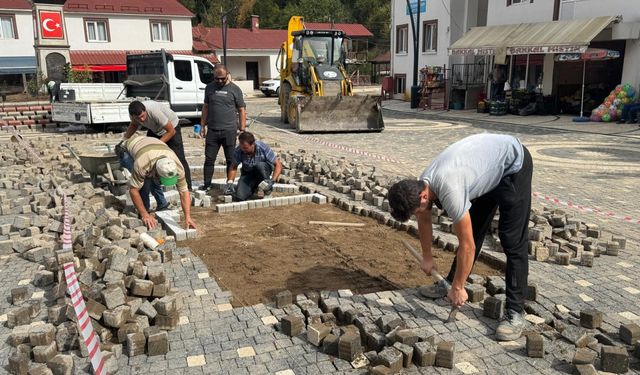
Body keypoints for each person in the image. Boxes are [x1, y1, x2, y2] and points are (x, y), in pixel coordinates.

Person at [388, 133, 533, 342]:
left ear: (423, 196)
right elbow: (425, 219)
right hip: (485, 170)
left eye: (415, 211)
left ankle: (515, 312)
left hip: (512, 167)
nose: (417, 215)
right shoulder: (422, 184)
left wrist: (459, 288)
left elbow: (468, 246)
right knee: (472, 229)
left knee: (512, 239)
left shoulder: (450, 190)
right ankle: (449, 283)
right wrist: (427, 256)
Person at [124, 135, 196, 230]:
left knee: (153, 180)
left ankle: (162, 205)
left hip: (152, 146)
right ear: (156, 171)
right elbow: (133, 190)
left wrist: (188, 216)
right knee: (145, 184)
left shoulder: (178, 167)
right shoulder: (142, 164)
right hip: (128, 150)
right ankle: (143, 212)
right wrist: (145, 214)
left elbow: (184, 192)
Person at [124, 100, 192, 190]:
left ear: (145, 111)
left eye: (143, 116)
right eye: (138, 118)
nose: (142, 120)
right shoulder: (133, 115)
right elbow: (133, 126)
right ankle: (157, 185)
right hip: (155, 129)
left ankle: (187, 187)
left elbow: (171, 131)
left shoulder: (153, 111)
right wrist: (124, 140)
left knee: (179, 158)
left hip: (172, 126)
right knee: (151, 157)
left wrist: (157, 145)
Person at [200, 65, 246, 191]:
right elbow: (205, 107)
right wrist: (202, 126)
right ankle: (207, 184)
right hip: (213, 131)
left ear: (227, 75)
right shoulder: (209, 88)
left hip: (229, 131)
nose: (220, 81)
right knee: (209, 159)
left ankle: (229, 185)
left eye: (222, 78)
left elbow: (241, 110)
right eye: (217, 79)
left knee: (230, 159)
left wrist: (242, 129)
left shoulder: (235, 89)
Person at [226, 131, 282, 201]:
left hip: (262, 171)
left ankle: (268, 191)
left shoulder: (262, 148)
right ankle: (254, 188)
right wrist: (230, 182)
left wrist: (272, 181)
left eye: (246, 148)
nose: (243, 150)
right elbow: (233, 166)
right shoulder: (239, 150)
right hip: (248, 173)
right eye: (242, 147)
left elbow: (278, 164)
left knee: (260, 166)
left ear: (252, 144)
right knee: (240, 197)